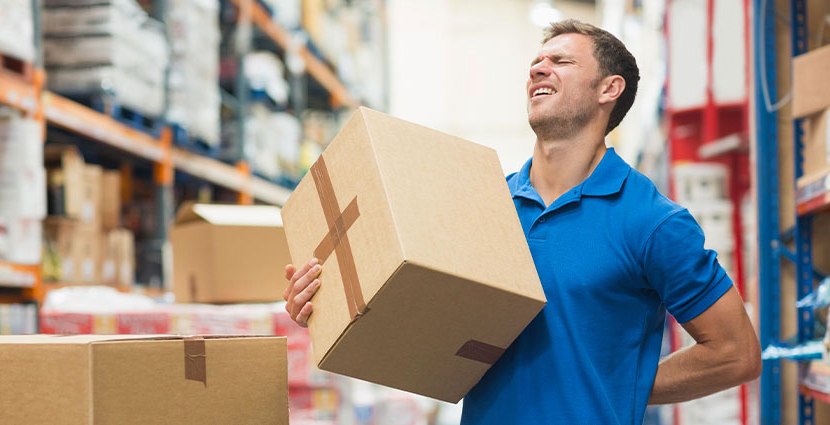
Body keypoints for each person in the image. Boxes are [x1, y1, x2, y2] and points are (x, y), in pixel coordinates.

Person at [282, 19, 761, 425]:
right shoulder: (485, 206)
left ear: (608, 89)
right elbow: (420, 317)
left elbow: (735, 353)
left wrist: (622, 383)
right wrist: (327, 303)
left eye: (561, 61)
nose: (538, 68)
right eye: (536, 61)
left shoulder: (652, 222)